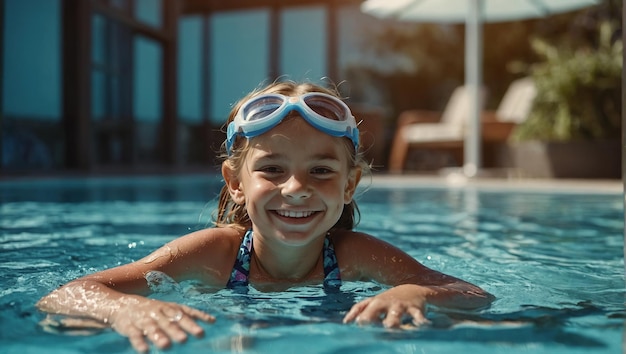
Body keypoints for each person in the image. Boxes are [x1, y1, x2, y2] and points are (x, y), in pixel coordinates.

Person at [37, 80, 494, 353]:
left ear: (349, 185)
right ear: (235, 182)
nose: (295, 189)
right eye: (272, 169)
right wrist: (123, 308)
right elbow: (67, 295)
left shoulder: (353, 255)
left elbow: (471, 294)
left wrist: (416, 293)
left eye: (321, 171)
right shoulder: (215, 253)